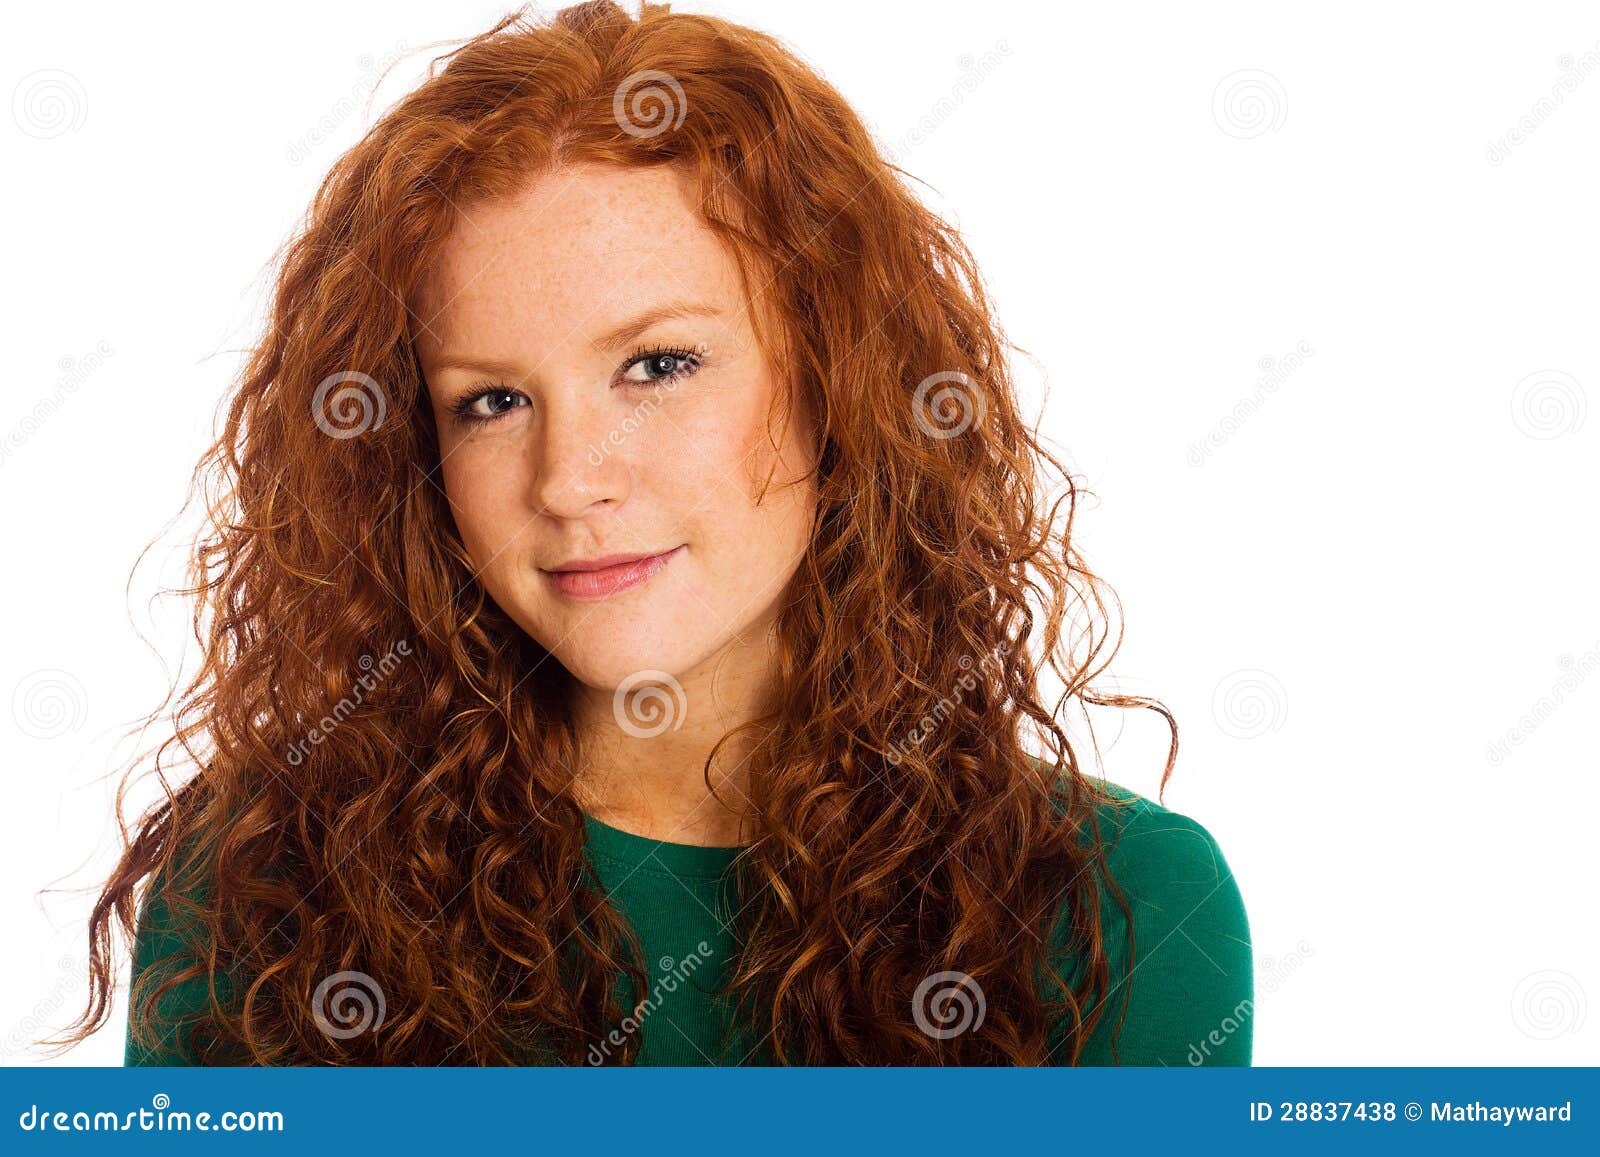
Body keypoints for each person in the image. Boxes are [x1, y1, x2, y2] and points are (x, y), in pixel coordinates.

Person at [54, 0, 1252, 1066]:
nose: (569, 480)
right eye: (491, 400)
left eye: (658, 365)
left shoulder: (1118, 906)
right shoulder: (262, 886)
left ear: (842, 382)